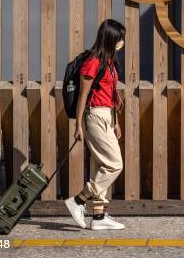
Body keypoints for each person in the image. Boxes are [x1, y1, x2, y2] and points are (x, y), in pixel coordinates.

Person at [65, 19, 126, 230]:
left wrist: (115, 121)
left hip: (107, 116)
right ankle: (78, 200)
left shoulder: (109, 62)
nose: (122, 42)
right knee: (114, 164)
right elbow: (83, 95)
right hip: (95, 116)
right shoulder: (92, 61)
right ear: (110, 38)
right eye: (119, 38)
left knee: (102, 165)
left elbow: (110, 94)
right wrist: (78, 125)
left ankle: (98, 217)